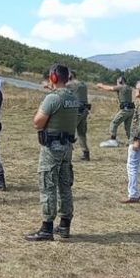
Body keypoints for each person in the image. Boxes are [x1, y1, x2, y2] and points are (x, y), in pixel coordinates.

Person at [25, 64, 78, 241]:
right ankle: (64, 225)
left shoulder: (52, 99)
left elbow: (37, 122)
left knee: (48, 185)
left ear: (53, 77)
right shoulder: (73, 97)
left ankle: (46, 228)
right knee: (65, 186)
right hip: (67, 147)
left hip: (52, 147)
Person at [97, 76, 135, 147]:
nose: (117, 84)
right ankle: (132, 141)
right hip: (131, 110)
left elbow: (109, 88)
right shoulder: (129, 88)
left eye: (117, 82)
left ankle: (113, 140)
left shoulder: (121, 87)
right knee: (128, 127)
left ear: (121, 81)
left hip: (125, 110)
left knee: (114, 123)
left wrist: (101, 85)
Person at [67, 70, 91, 161]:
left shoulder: (71, 84)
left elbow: (58, 89)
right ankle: (86, 153)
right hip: (84, 110)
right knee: (81, 133)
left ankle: (67, 153)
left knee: (68, 132)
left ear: (71, 76)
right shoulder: (83, 84)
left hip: (76, 111)